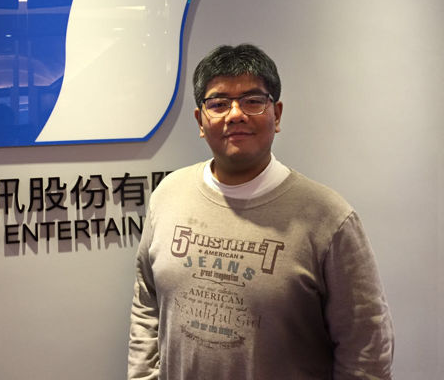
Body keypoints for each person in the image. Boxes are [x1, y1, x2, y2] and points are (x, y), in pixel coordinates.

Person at [128, 44, 394, 379]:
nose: (235, 114)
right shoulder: (168, 195)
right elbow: (147, 305)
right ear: (200, 120)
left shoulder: (329, 218)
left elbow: (366, 346)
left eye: (252, 101)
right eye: (218, 103)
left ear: (276, 114)